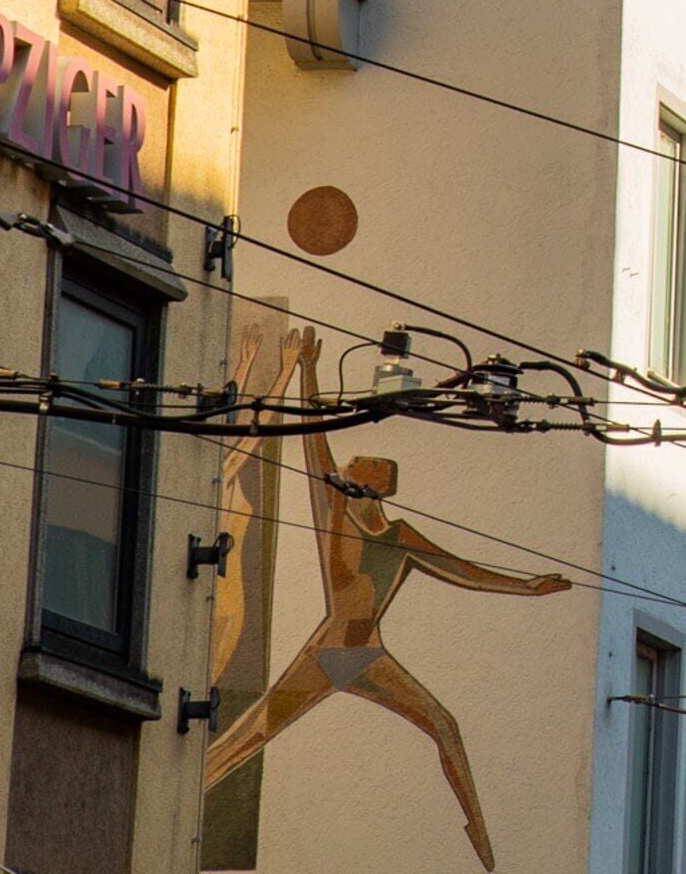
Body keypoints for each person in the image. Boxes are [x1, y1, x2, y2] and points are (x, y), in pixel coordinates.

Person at [199, 328, 570, 870]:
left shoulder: (399, 536)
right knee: (248, 737)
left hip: (369, 656)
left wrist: (529, 587)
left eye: (362, 466)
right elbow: (314, 440)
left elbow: (463, 572)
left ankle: (483, 843)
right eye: (353, 467)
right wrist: (305, 368)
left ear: (376, 483)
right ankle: (183, 793)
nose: (351, 468)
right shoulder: (335, 511)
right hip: (328, 654)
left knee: (445, 724)